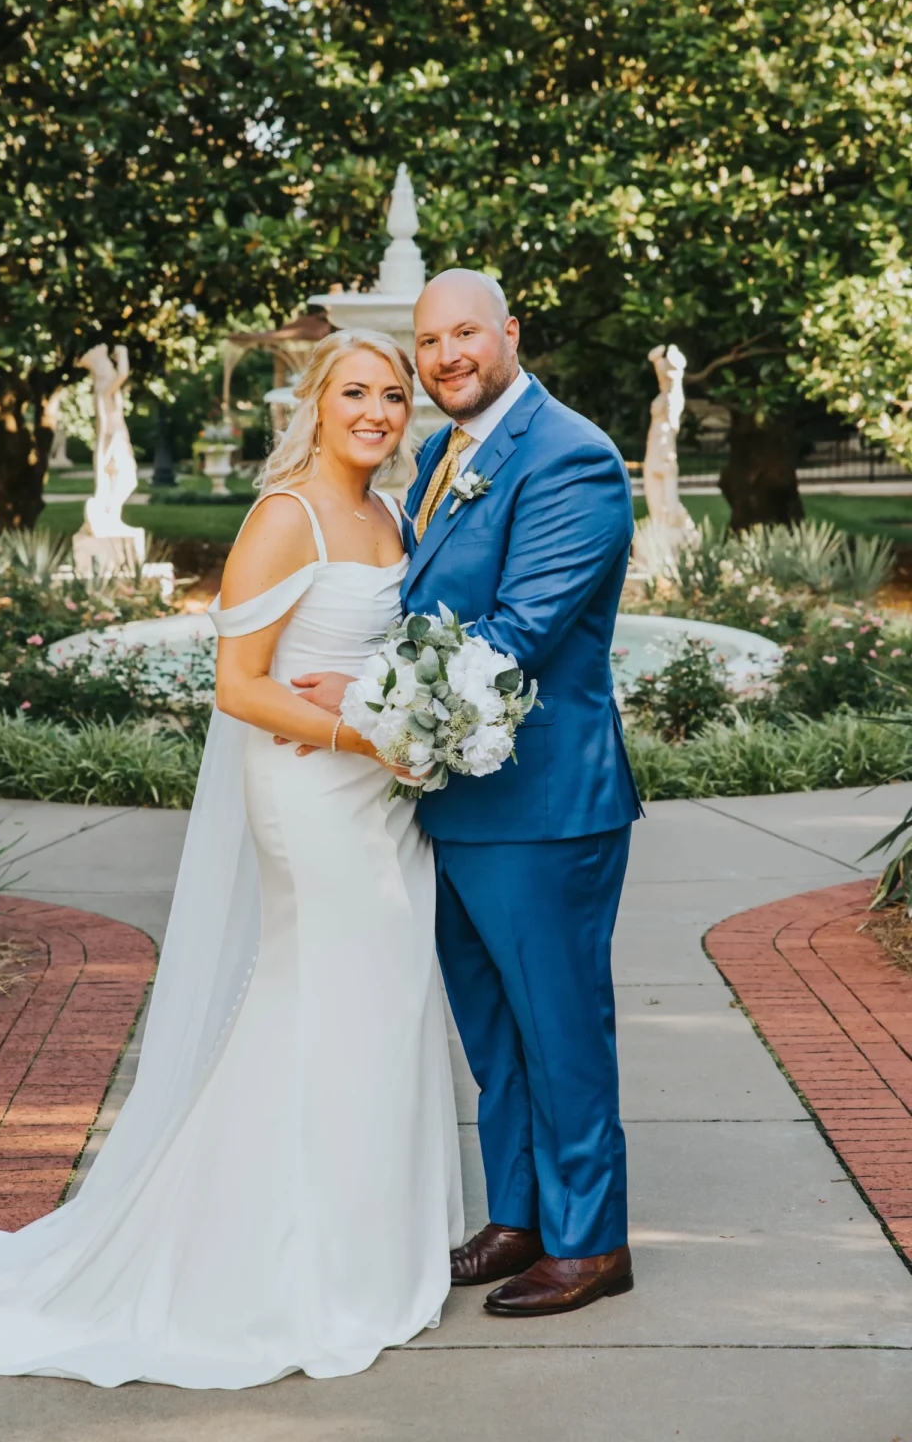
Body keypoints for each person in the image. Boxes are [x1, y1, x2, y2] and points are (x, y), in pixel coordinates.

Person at [0, 329, 462, 1389]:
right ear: (316, 402)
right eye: (355, 393)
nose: (376, 412)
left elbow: (394, 657)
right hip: (309, 793)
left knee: (380, 1002)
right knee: (320, 1000)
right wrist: (367, 734)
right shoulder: (282, 517)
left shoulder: (391, 512)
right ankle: (260, 1259)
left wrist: (414, 721)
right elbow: (237, 686)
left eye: (392, 395)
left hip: (380, 797)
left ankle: (359, 1243)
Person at [292, 269, 643, 1317]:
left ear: (507, 334)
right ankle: (519, 1217)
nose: (444, 357)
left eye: (464, 335)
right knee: (494, 1031)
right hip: (451, 793)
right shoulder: (448, 451)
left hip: (542, 804)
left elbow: (516, 638)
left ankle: (591, 1242)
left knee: (559, 1026)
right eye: (428, 340)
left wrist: (360, 697)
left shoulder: (570, 457)